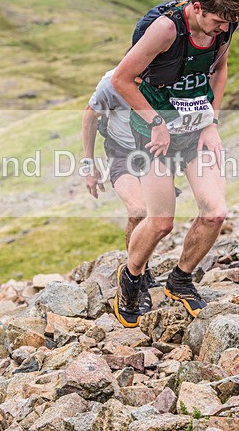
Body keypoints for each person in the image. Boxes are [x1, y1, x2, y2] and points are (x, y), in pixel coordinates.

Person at [111, 0, 239, 327]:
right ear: (198, 7)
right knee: (160, 222)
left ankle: (181, 279)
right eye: (218, 20)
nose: (224, 28)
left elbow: (218, 71)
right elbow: (121, 80)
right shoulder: (166, 29)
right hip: (153, 133)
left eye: (229, 23)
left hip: (195, 128)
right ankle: (131, 278)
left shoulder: (225, 25)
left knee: (215, 212)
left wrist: (212, 123)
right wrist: (156, 122)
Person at [82, 70, 159, 312]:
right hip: (121, 151)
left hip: (154, 151)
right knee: (139, 210)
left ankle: (141, 264)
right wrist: (88, 164)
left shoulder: (165, 76)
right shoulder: (111, 83)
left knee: (158, 218)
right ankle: (135, 280)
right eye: (136, 81)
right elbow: (89, 115)